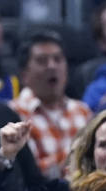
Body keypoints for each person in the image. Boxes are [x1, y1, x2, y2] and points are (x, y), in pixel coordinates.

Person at [11, 31, 92, 180]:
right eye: (42, 61)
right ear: (24, 75)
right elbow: (30, 171)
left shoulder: (83, 111)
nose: (52, 66)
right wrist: (80, 159)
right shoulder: (14, 113)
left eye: (58, 59)